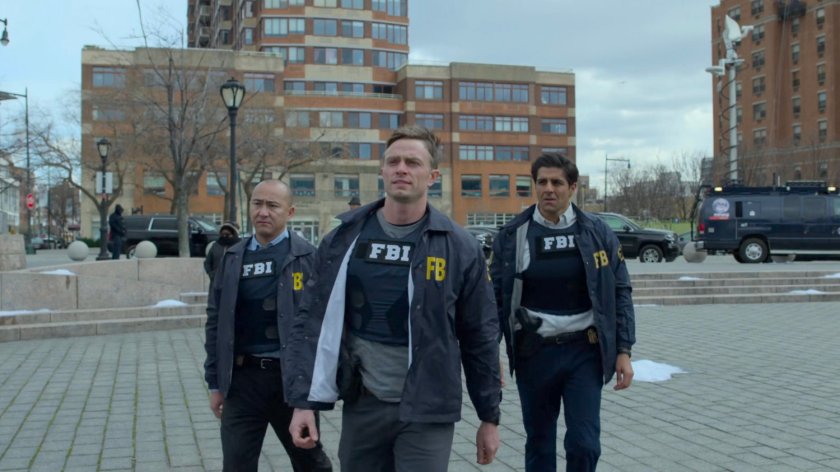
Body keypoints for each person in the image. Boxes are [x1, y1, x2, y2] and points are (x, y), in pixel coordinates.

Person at [286, 126, 502, 471]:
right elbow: (310, 322)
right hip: (363, 403)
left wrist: (489, 417)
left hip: (428, 408)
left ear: (432, 176)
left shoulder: (460, 247)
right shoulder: (342, 241)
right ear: (382, 171)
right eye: (394, 161)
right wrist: (303, 403)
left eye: (412, 162)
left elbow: (480, 335)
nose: (402, 168)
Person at [490, 152, 635, 472]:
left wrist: (624, 350)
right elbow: (494, 300)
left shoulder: (598, 232)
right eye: (541, 182)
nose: (548, 189)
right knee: (539, 443)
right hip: (534, 353)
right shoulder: (513, 236)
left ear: (573, 187)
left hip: (584, 352)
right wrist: (490, 354)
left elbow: (620, 291)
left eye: (557, 182)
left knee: (585, 444)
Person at [203, 180, 333, 472]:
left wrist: (313, 390)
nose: (263, 212)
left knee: (311, 463)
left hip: (290, 383)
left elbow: (321, 326)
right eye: (257, 204)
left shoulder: (309, 258)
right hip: (241, 383)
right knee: (236, 465)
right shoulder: (231, 258)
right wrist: (215, 382)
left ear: (290, 212)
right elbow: (216, 322)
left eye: (272, 205)